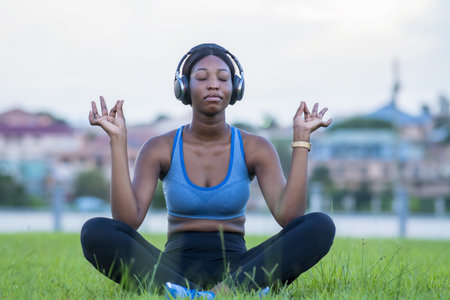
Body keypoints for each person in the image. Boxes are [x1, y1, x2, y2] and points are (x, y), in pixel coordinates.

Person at [80, 43, 335, 299]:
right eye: (201, 78)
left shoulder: (255, 147)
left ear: (235, 89)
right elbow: (127, 222)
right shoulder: (159, 147)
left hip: (239, 269)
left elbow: (290, 217)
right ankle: (194, 291)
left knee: (320, 225)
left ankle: (215, 293)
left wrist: (301, 139)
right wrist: (117, 140)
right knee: (95, 231)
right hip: (172, 270)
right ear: (183, 88)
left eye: (223, 78)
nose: (213, 84)